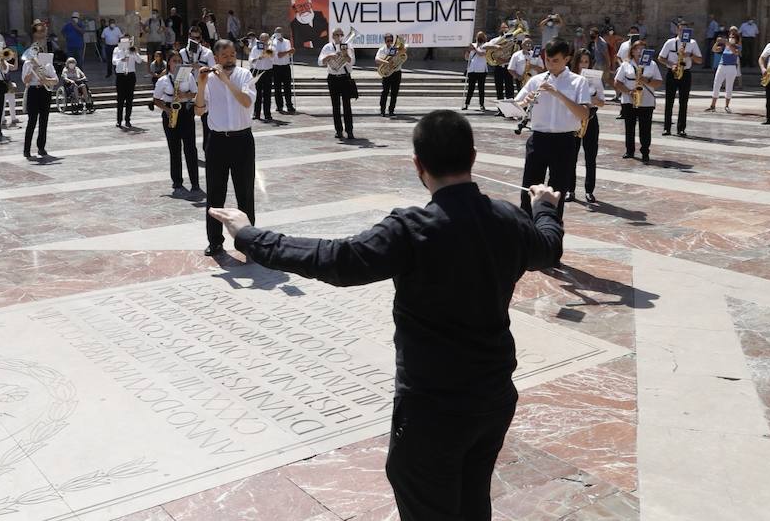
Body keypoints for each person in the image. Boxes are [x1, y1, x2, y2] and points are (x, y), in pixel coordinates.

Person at [207, 110, 563, 521]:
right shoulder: (510, 219)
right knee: (471, 499)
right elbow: (549, 246)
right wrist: (545, 207)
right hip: (493, 398)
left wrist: (250, 235)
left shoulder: (412, 228)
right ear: (473, 156)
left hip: (433, 406)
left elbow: (336, 261)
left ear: (418, 165)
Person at [513, 39, 590, 223]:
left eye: (555, 60)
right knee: (529, 189)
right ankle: (527, 231)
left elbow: (584, 114)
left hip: (564, 142)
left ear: (567, 59)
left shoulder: (579, 82)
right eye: (548, 60)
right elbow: (516, 105)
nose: (550, 64)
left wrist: (558, 94)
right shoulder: (536, 80)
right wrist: (525, 102)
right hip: (538, 139)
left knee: (557, 191)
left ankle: (550, 230)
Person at [197, 38, 257, 256]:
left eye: (232, 55)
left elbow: (246, 101)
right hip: (217, 142)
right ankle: (214, 241)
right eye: (225, 56)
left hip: (242, 141)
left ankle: (248, 243)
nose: (230, 59)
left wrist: (225, 79)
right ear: (216, 58)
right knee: (215, 194)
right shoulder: (209, 79)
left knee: (245, 194)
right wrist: (202, 83)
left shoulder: (245, 75)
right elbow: (199, 110)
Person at [153, 56, 200, 193]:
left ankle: (195, 182)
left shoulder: (188, 76)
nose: (177, 63)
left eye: (179, 61)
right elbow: (156, 99)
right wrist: (167, 110)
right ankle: (177, 180)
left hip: (185, 112)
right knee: (174, 148)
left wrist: (184, 95)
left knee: (190, 148)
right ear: (169, 64)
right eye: (174, 61)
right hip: (170, 112)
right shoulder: (163, 80)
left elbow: (195, 93)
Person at [614, 40, 662, 163]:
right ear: (632, 51)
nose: (640, 52)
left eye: (643, 49)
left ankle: (645, 152)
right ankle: (629, 150)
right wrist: (628, 92)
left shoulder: (652, 64)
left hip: (646, 101)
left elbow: (658, 82)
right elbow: (617, 82)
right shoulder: (626, 65)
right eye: (637, 49)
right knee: (629, 127)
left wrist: (646, 81)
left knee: (645, 128)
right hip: (629, 100)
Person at [657, 21, 702, 138]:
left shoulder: (692, 43)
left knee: (683, 102)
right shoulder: (670, 42)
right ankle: (667, 127)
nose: (683, 32)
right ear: (677, 30)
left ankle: (681, 128)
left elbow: (700, 60)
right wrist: (671, 64)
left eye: (685, 30)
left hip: (685, 73)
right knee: (669, 101)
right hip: (672, 72)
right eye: (681, 30)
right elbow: (660, 58)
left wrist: (689, 55)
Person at [572, 48, 606, 203]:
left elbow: (602, 102)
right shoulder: (571, 79)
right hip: (574, 119)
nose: (583, 65)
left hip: (591, 119)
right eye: (581, 61)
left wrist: (591, 98)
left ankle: (589, 190)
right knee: (571, 157)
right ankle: (570, 190)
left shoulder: (595, 79)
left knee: (590, 157)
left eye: (586, 62)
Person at [21, 25, 56, 160]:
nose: (35, 54)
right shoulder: (27, 64)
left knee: (44, 121)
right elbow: (25, 80)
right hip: (33, 92)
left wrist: (45, 80)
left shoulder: (47, 64)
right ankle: (27, 149)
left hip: (45, 93)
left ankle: (41, 147)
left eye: (38, 51)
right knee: (32, 121)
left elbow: (55, 80)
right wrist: (33, 69)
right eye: (33, 52)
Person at [319, 28, 357, 140]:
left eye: (341, 34)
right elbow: (320, 62)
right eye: (337, 34)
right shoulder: (327, 47)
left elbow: (353, 62)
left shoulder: (348, 47)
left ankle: (349, 131)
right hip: (332, 78)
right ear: (333, 36)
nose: (339, 36)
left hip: (345, 78)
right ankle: (338, 131)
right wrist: (330, 56)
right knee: (335, 106)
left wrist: (345, 55)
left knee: (347, 106)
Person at [706, 25, 742, 113]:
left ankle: (726, 105)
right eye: (730, 36)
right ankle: (713, 105)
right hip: (722, 65)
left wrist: (728, 43)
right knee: (716, 84)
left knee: (729, 86)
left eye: (733, 37)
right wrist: (717, 43)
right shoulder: (725, 46)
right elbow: (714, 50)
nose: (731, 37)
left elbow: (736, 52)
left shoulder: (737, 46)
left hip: (731, 67)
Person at [113, 34, 141, 128]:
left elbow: (139, 61)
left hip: (130, 75)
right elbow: (114, 61)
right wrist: (121, 59)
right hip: (121, 76)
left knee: (129, 100)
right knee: (120, 99)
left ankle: (128, 120)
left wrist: (134, 52)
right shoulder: (117, 49)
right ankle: (119, 120)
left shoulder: (132, 50)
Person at [247, 32, 275, 121]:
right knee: (257, 93)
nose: (263, 41)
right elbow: (251, 60)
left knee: (267, 93)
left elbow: (272, 58)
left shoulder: (270, 48)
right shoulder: (255, 48)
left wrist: (266, 50)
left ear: (268, 40)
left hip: (267, 72)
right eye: (262, 39)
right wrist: (257, 58)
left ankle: (267, 114)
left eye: (265, 39)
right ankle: (256, 113)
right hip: (257, 71)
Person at [376, 32, 404, 117]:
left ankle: (391, 110)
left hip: (396, 73)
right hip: (387, 73)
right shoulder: (382, 50)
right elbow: (376, 59)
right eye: (388, 40)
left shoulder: (397, 49)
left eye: (391, 40)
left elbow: (403, 55)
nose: (390, 42)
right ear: (385, 41)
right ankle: (382, 110)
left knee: (394, 93)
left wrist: (401, 51)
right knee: (385, 92)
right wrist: (387, 62)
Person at [270, 26, 296, 113]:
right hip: (276, 67)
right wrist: (289, 52)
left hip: (286, 66)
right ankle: (279, 106)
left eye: (279, 31)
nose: (278, 33)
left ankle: (289, 105)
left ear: (282, 33)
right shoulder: (272, 43)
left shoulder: (287, 42)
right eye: (276, 31)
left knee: (287, 87)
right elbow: (279, 55)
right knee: (277, 88)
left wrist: (291, 52)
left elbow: (288, 54)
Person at [461, 31, 489, 112]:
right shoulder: (472, 45)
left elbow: (481, 54)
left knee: (481, 88)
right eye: (478, 36)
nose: (479, 38)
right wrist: (468, 51)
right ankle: (466, 104)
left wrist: (475, 49)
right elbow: (467, 58)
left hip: (482, 70)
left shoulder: (486, 46)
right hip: (472, 70)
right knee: (470, 88)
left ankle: (481, 105)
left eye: (481, 36)